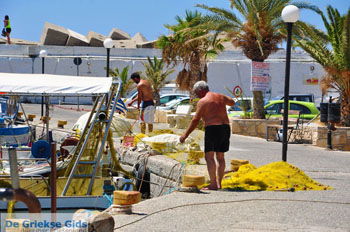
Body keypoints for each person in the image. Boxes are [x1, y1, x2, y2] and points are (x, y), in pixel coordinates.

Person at [180, 81, 235, 190]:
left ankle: (213, 184)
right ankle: (219, 183)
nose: (197, 95)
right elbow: (232, 102)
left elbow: (195, 120)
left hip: (212, 129)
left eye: (197, 93)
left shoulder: (203, 101)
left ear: (201, 91)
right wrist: (221, 102)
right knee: (220, 157)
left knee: (209, 157)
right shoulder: (220, 97)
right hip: (225, 128)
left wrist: (185, 135)